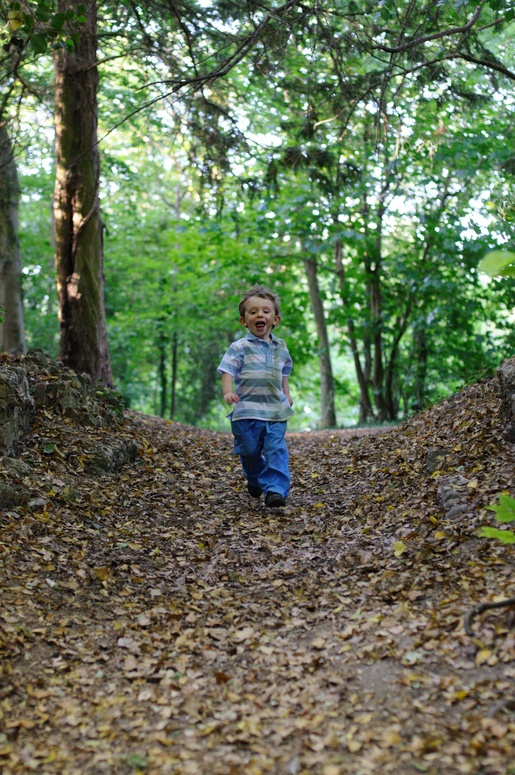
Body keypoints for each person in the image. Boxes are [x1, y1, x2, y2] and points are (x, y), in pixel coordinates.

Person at [218, 284, 295, 507]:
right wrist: (228, 391)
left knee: (276, 449)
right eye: (253, 312)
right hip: (246, 412)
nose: (259, 315)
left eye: (265, 311)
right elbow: (227, 370)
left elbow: (284, 373)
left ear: (275, 319)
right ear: (244, 321)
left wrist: (287, 394)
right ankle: (255, 479)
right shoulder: (239, 347)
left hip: (275, 410)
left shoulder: (281, 347)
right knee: (249, 451)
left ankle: (276, 490)